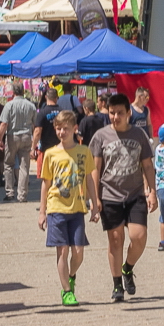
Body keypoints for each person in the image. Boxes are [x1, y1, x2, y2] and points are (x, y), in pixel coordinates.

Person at [90, 93, 157, 301]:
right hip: (110, 194)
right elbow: (95, 168)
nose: (115, 117)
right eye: (112, 113)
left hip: (135, 194)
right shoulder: (100, 136)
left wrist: (152, 191)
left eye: (120, 113)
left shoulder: (139, 135)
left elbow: (147, 165)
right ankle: (117, 284)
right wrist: (95, 198)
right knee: (115, 239)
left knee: (139, 236)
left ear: (129, 113)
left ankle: (128, 267)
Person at [38, 110, 96, 306]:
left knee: (78, 252)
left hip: (77, 208)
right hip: (56, 208)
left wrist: (95, 205)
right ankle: (67, 291)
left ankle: (71, 276)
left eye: (65, 129)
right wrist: (42, 212)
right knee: (62, 251)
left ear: (74, 129)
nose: (61, 132)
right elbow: (46, 183)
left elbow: (89, 179)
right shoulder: (50, 153)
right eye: (58, 129)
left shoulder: (84, 151)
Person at [0, 81, 37, 203]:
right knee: (24, 166)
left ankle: (9, 192)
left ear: (13, 92)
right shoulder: (31, 106)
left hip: (12, 136)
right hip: (26, 136)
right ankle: (22, 195)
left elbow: (4, 124)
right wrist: (34, 141)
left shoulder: (9, 105)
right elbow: (35, 124)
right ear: (23, 91)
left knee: (8, 164)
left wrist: (0, 139)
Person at [31, 87, 63, 178]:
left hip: (45, 149)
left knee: (45, 177)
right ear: (56, 98)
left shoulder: (42, 112)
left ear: (45, 97)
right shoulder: (62, 112)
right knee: (59, 176)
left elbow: (37, 131)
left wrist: (33, 148)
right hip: (60, 149)